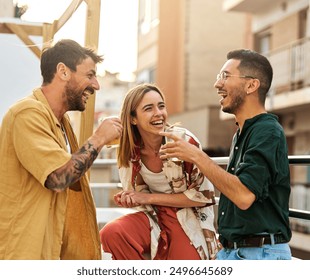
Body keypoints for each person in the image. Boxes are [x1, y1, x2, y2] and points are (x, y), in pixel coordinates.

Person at [160, 49, 292, 260]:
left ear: (251, 85)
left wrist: (196, 156)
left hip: (259, 255)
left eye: (225, 76)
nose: (217, 84)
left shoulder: (267, 132)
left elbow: (244, 196)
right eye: (218, 76)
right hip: (234, 252)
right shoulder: (242, 132)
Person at [0, 39, 122, 260]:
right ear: (63, 72)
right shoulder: (27, 113)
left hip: (49, 251)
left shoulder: (61, 123)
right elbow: (58, 178)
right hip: (23, 253)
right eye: (90, 75)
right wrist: (99, 138)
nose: (96, 85)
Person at [99, 83, 220, 260]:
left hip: (186, 216)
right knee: (111, 232)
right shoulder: (129, 150)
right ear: (133, 118)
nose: (158, 113)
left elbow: (203, 197)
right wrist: (129, 198)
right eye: (148, 108)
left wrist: (147, 198)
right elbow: (138, 197)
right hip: (152, 215)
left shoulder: (184, 141)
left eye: (161, 106)